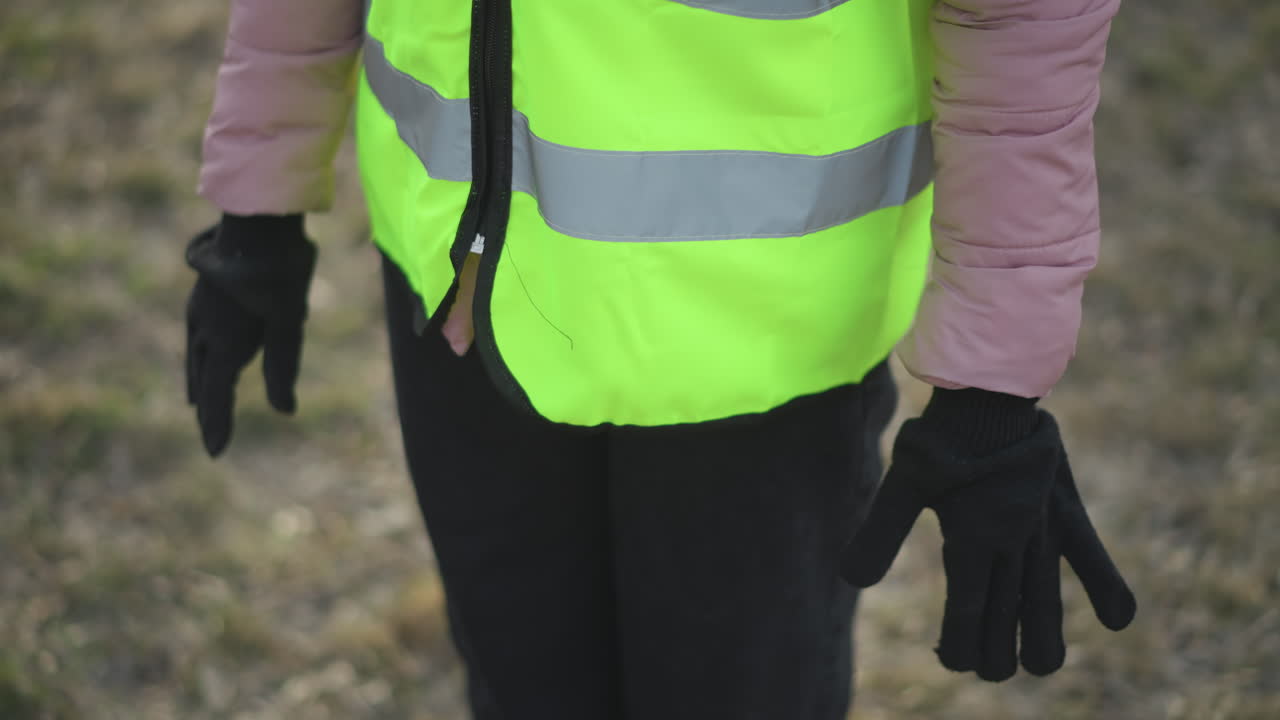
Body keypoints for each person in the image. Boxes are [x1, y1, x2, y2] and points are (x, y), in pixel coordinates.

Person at [184, 0, 1136, 717]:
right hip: (470, 305)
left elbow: (1023, 22)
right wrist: (259, 193)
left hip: (758, 359)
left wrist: (992, 383)